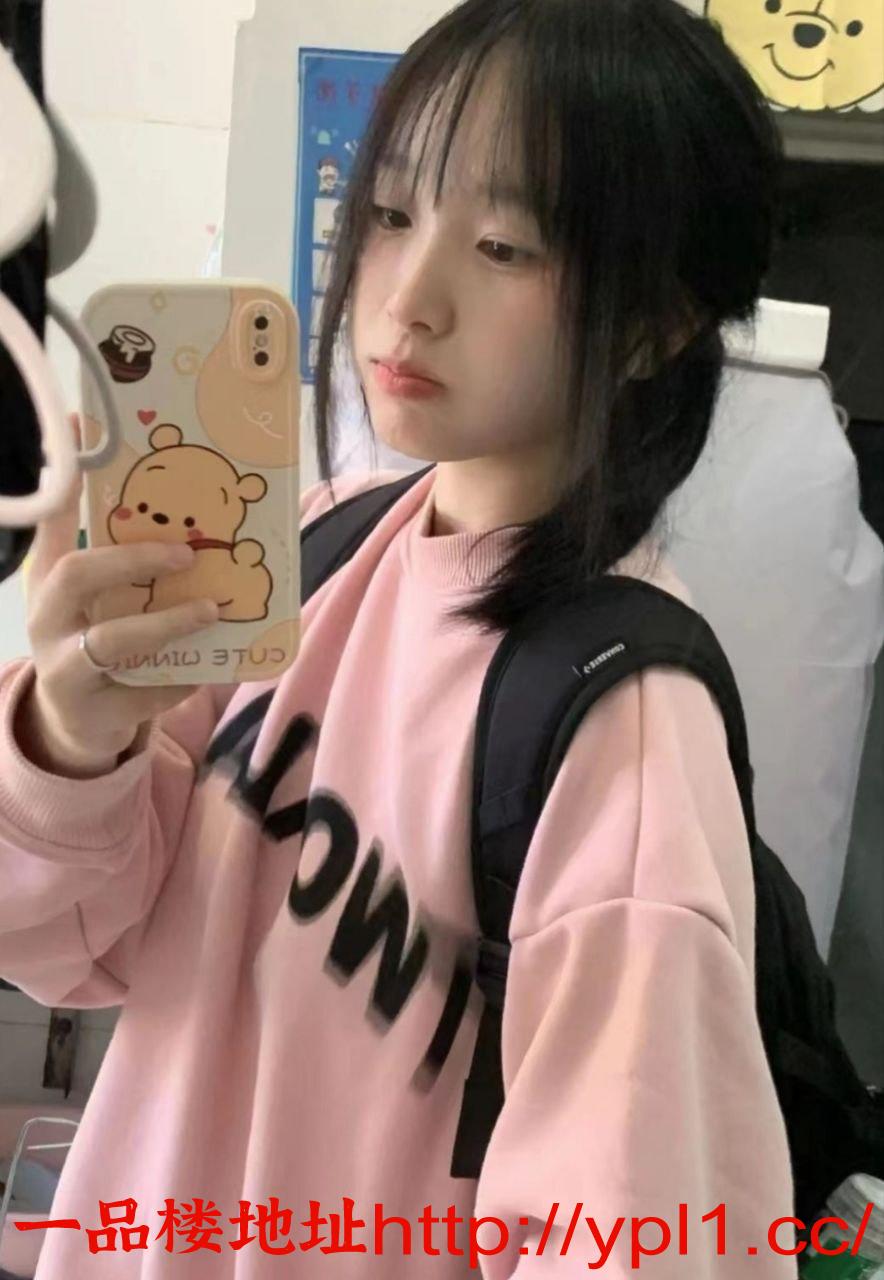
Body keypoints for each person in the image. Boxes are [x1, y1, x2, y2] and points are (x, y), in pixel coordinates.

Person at [0, 0, 797, 1274]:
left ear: (656, 320)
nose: (406, 300)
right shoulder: (314, 542)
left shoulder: (620, 727)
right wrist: (68, 742)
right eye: (388, 214)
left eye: (502, 244)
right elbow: (71, 945)